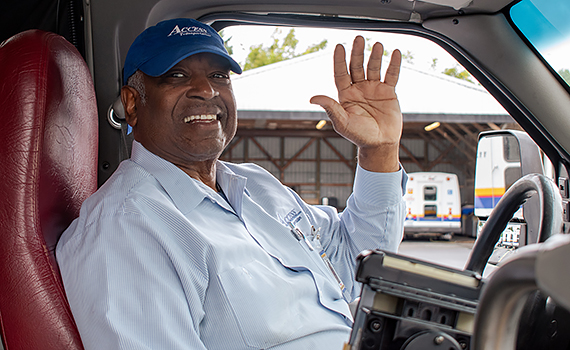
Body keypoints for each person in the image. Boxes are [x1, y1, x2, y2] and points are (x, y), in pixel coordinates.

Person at [56, 18, 407, 350]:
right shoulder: (126, 229)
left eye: (219, 75)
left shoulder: (257, 185)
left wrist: (380, 150)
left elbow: (359, 261)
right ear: (133, 104)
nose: (206, 90)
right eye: (176, 75)